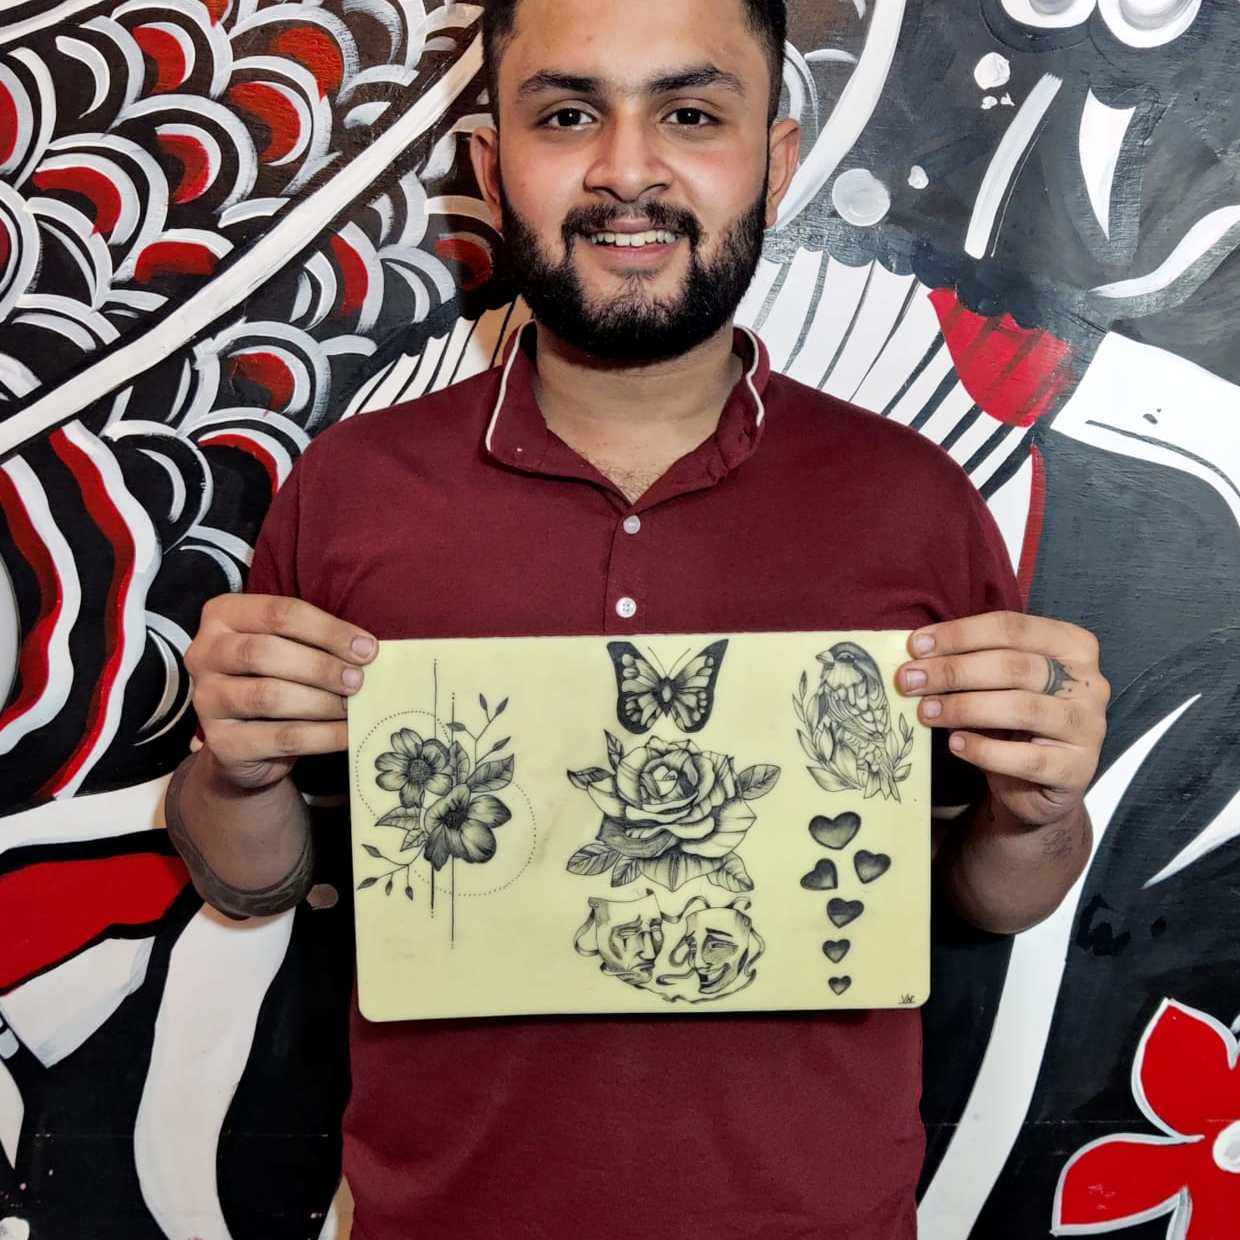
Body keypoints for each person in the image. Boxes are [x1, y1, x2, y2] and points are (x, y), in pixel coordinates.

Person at [166, 0, 1110, 1235]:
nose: (626, 170)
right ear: (493, 168)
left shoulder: (911, 498)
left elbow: (990, 897)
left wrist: (1038, 809)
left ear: (773, 160)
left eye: (690, 114)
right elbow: (253, 880)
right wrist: (232, 775)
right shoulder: (353, 489)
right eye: (568, 115)